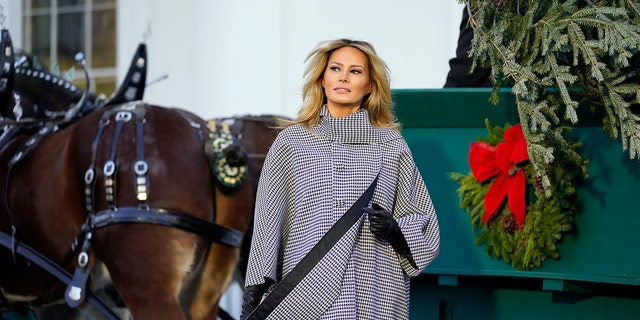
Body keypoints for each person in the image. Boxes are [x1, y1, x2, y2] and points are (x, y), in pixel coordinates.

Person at [241, 38, 440, 319]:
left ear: (370, 85)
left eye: (356, 71)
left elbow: (423, 219)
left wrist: (395, 230)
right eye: (336, 68)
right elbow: (267, 221)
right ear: (322, 79)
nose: (344, 77)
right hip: (307, 291)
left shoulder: (391, 145)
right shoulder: (291, 142)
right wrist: (255, 286)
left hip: (375, 285)